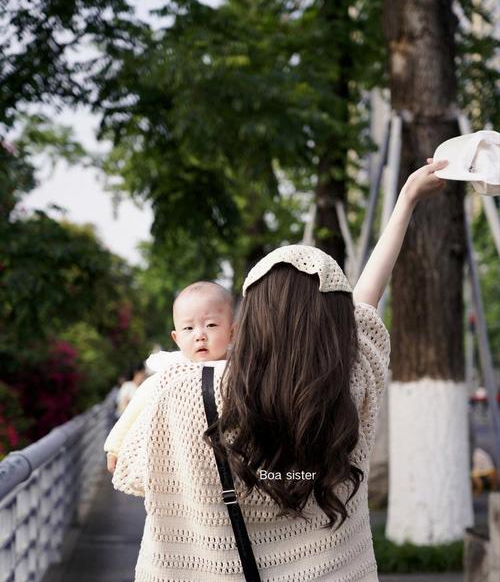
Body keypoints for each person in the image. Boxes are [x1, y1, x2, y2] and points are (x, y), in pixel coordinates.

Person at [111, 160, 448, 581]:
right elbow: (366, 305)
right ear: (334, 321)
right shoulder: (349, 379)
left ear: (250, 318)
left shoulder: (181, 389)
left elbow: (130, 468)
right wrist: (406, 201)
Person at [104, 280, 234, 473]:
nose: (200, 335)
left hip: (231, 461)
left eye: (211, 325)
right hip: (186, 464)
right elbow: (136, 407)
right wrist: (115, 447)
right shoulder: (172, 371)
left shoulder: (241, 370)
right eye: (188, 328)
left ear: (232, 333)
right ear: (176, 338)